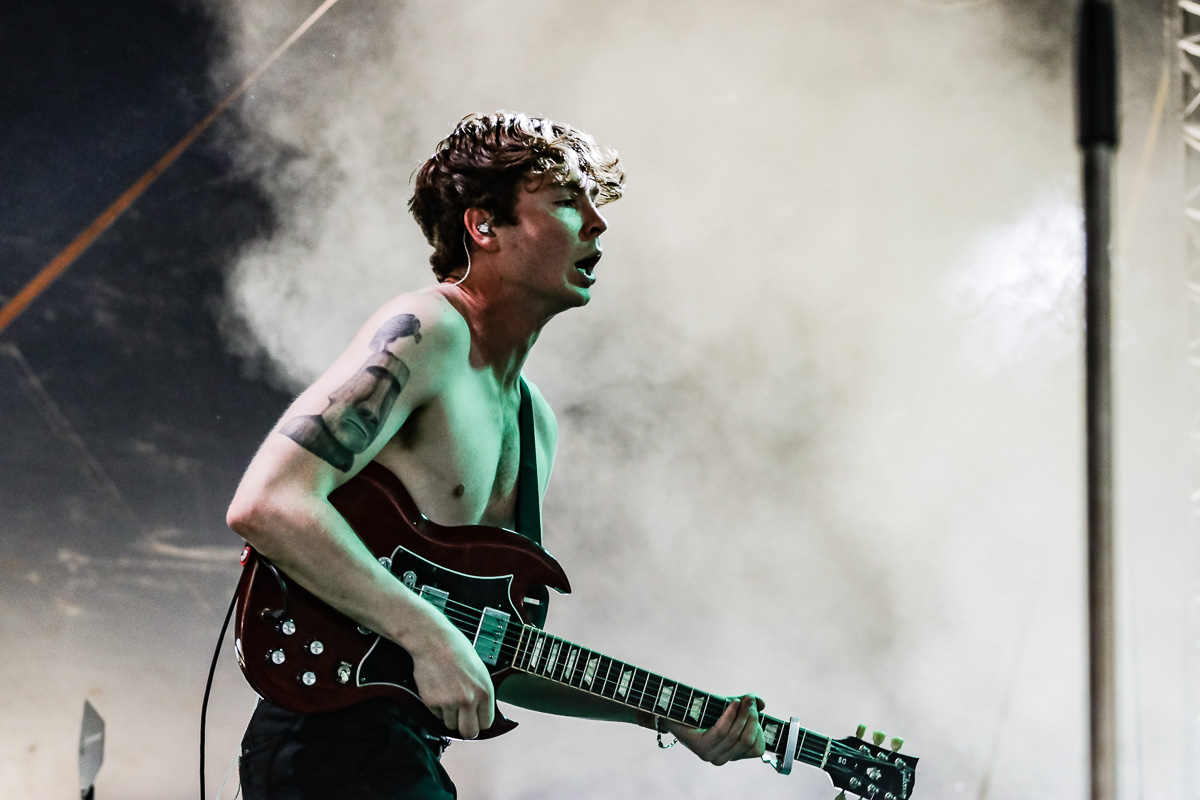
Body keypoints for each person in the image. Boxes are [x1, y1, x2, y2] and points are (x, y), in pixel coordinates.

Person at [226, 111, 766, 799]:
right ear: (483, 226)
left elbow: (494, 654)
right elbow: (269, 503)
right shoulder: (428, 330)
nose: (597, 223)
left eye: (594, 203)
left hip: (400, 750)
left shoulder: (536, 422)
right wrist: (427, 636)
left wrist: (667, 714)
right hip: (326, 740)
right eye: (567, 202)